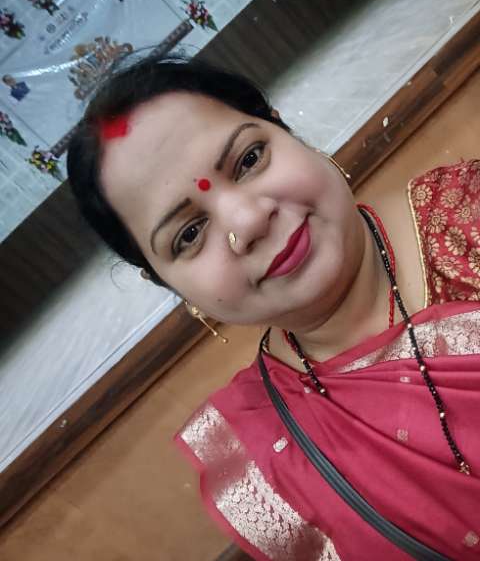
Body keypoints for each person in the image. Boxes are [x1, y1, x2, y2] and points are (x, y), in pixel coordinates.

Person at [67, 53, 480, 561]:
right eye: (189, 234)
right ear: (166, 283)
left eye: (248, 160)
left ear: (285, 131)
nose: (249, 220)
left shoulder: (468, 215)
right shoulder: (269, 458)